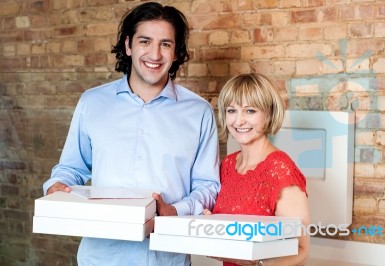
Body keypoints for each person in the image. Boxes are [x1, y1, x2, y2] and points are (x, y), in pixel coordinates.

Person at [42, 2, 220, 265]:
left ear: (176, 52)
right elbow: (71, 167)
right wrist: (55, 186)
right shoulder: (92, 103)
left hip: (165, 258)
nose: (155, 54)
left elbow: (208, 185)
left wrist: (175, 210)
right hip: (100, 257)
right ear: (129, 45)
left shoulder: (199, 112)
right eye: (145, 41)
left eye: (166, 44)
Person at [206, 73, 310, 266]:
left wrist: (257, 263)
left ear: (268, 114)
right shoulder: (227, 165)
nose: (239, 121)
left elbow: (301, 249)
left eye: (250, 111)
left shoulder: (280, 168)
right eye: (231, 111)